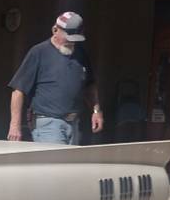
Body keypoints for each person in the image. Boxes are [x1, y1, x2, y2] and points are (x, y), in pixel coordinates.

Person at [7, 11, 103, 144]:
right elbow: (18, 91)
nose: (71, 41)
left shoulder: (80, 54)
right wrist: (15, 126)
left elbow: (89, 85)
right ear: (55, 30)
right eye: (68, 37)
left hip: (74, 123)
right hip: (48, 123)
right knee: (54, 163)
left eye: (75, 38)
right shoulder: (39, 52)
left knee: (69, 164)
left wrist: (96, 110)